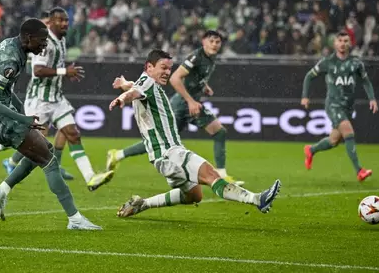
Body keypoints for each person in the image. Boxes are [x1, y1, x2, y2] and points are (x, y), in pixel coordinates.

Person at [109, 49, 281, 218]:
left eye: (170, 68)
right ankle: (258, 199)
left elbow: (134, 88)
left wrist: (124, 84)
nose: (168, 72)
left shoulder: (144, 82)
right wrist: (122, 98)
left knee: (194, 196)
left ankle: (143, 204)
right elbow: (133, 93)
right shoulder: (146, 83)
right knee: (212, 176)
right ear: (149, 67)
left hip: (162, 157)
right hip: (169, 153)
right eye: (163, 67)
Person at [0, 18, 101, 230]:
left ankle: (1, 191)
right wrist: (21, 118)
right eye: (42, 40)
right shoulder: (11, 60)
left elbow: (4, 92)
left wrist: (23, 114)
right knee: (49, 159)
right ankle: (75, 219)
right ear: (28, 38)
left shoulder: (12, 46)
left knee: (44, 150)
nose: (44, 45)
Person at [106, 30, 244, 186]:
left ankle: (118, 155)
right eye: (211, 41)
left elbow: (194, 77)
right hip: (182, 105)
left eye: (218, 42)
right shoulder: (195, 57)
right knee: (165, 140)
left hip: (190, 104)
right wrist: (190, 101)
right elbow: (175, 78)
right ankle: (220, 176)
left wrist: (203, 86)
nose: (214, 44)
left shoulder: (211, 58)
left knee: (217, 132)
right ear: (203, 41)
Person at [2, 7, 114, 191]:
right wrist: (64, 71)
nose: (64, 24)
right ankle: (4, 182)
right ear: (51, 22)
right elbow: (37, 71)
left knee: (73, 134)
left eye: (66, 20)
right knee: (31, 145)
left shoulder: (61, 41)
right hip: (40, 101)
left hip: (57, 99)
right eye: (60, 20)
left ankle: (91, 178)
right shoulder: (45, 43)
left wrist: (65, 72)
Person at [301, 31, 378, 181]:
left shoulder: (356, 63)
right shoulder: (327, 62)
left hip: (348, 107)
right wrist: (305, 96)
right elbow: (309, 76)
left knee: (334, 141)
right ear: (335, 44)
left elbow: (366, 81)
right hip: (333, 105)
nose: (343, 44)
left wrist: (372, 99)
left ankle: (311, 150)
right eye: (340, 41)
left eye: (346, 41)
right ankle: (359, 171)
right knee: (348, 132)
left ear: (350, 44)